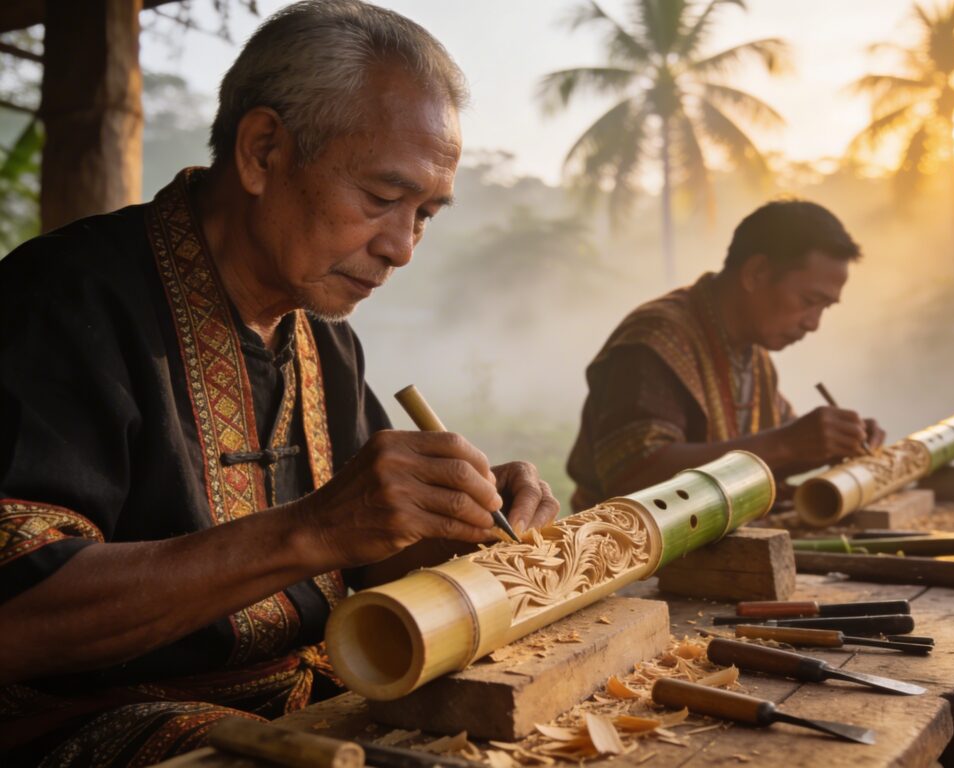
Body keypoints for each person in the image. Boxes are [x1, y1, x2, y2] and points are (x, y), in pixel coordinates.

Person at [0, 1, 559, 763]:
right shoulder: (61, 301)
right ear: (262, 151)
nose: (402, 248)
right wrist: (315, 528)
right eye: (383, 198)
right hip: (97, 727)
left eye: (426, 213)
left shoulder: (323, 334)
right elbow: (18, 616)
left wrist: (448, 517)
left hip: (311, 702)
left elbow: (361, 556)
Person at [567, 200, 885, 511]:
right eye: (808, 300)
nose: (813, 323)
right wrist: (788, 444)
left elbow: (767, 453)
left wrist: (826, 446)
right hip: (627, 555)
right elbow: (632, 479)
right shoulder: (654, 340)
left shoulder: (753, 354)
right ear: (756, 273)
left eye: (824, 308)